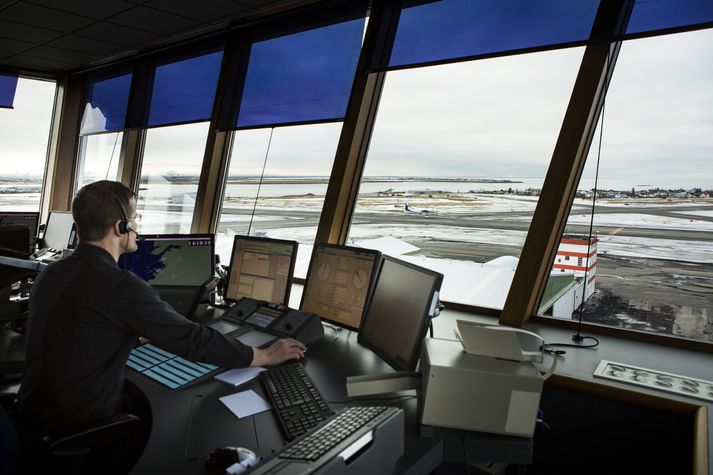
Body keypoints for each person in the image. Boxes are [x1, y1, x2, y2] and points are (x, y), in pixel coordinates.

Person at [15, 180, 306, 472]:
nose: (137, 225)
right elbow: (193, 339)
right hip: (79, 434)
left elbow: (84, 329)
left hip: (34, 419)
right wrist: (264, 355)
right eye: (135, 218)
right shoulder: (119, 285)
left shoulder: (52, 272)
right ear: (121, 227)